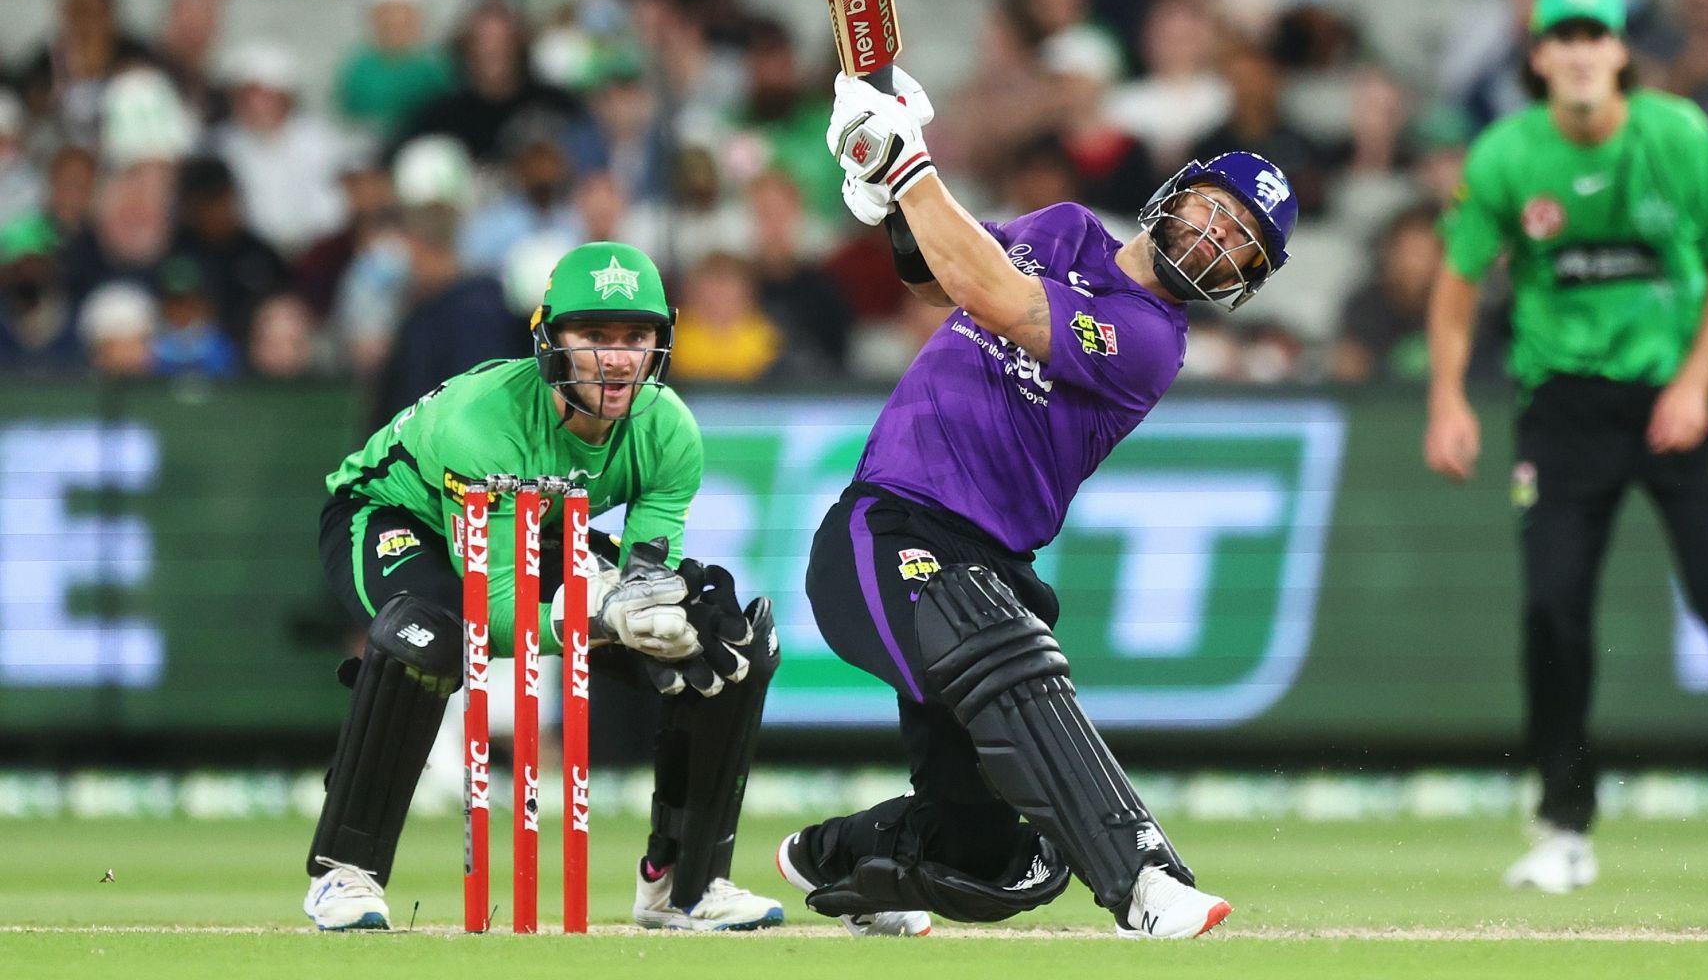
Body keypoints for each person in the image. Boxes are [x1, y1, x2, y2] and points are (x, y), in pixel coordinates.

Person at [775, 68, 1297, 938]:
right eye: (1215, 210)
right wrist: (886, 191)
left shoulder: (1151, 341)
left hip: (990, 563)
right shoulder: (1063, 228)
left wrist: (910, 170)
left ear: (1246, 280)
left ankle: (841, 860)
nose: (1215, 240)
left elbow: (1001, 297)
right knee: (1004, 649)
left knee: (997, 860)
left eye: (1241, 243)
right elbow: (943, 279)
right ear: (1175, 195)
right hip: (889, 524)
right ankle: (1142, 882)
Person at [1422, 0, 1708, 893]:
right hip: (1565, 407)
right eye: (1563, 36)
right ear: (1539, 57)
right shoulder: (1506, 156)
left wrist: (1698, 379)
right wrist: (1448, 398)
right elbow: (1458, 286)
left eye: (1597, 34)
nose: (1581, 50)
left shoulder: (1677, 135)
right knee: (1553, 609)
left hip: (1677, 404)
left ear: (1621, 51)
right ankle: (1561, 826)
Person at [304, 241, 786, 932]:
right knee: (427, 636)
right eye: (595, 336)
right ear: (549, 340)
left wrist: (652, 612)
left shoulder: (669, 431)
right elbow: (490, 614)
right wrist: (591, 615)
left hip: (544, 527)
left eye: (636, 337)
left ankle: (684, 882)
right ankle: (344, 872)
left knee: (720, 635)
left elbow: (648, 571)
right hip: (394, 516)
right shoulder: (486, 424)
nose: (618, 359)